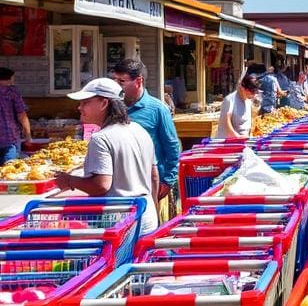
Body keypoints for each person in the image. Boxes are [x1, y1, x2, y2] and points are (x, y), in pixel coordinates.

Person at [53, 78, 159, 234]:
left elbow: (101, 185)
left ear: (103, 103)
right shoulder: (139, 130)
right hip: (146, 216)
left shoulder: (101, 138)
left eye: (85, 102)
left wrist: (69, 180)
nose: (79, 108)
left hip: (119, 223)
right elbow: (154, 176)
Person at [112, 59, 181, 206]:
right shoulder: (112, 108)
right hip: (121, 184)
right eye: (115, 80)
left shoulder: (158, 109)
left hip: (152, 183)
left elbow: (172, 147)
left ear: (138, 81)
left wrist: (168, 181)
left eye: (121, 81)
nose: (116, 85)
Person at [0, 67, 31, 164]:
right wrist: (28, 136)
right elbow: (21, 115)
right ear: (8, 79)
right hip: (9, 139)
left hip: (9, 139)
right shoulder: (12, 92)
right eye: (13, 77)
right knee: (9, 172)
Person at [217, 73, 259, 139]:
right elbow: (226, 121)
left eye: (254, 92)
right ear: (243, 88)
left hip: (244, 140)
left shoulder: (248, 100)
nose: (253, 95)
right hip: (231, 142)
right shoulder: (230, 100)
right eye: (251, 92)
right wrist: (237, 136)